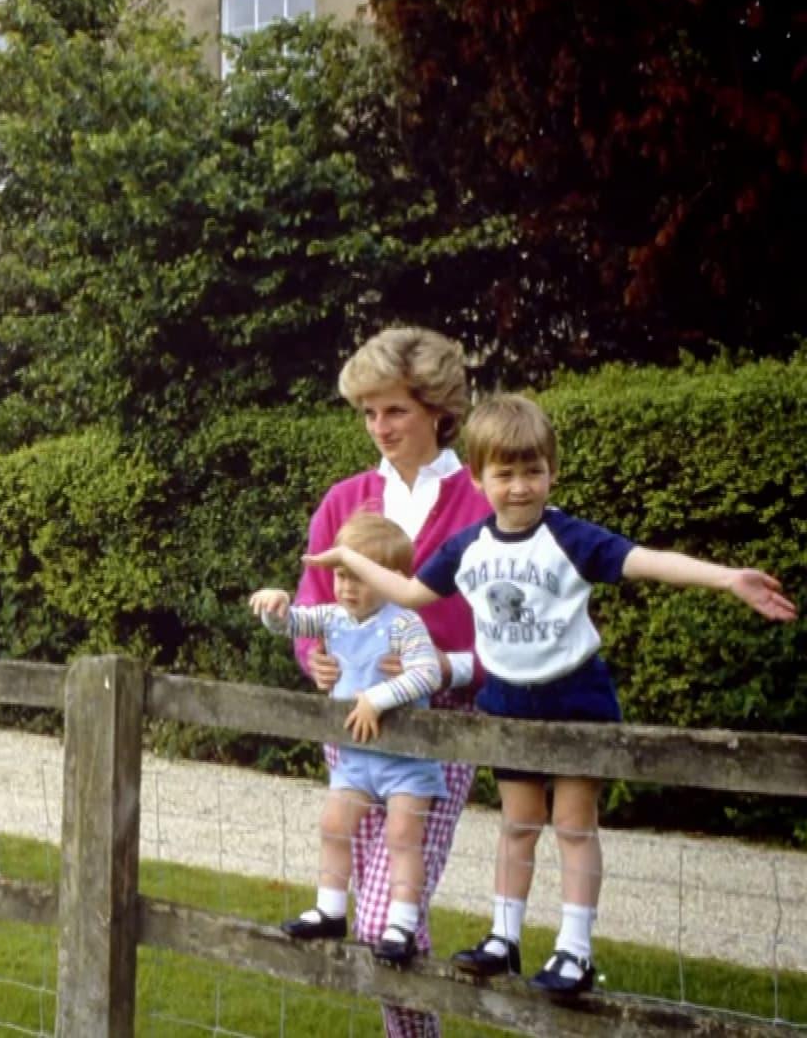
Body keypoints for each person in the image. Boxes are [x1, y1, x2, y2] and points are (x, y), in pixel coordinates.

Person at [306, 393, 796, 998]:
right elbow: (408, 595)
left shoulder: (572, 538)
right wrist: (349, 557)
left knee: (572, 825)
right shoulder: (467, 547)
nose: (519, 487)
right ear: (480, 478)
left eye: (533, 471)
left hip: (575, 701)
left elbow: (649, 562)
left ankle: (575, 949)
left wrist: (728, 579)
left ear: (552, 472)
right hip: (510, 702)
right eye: (505, 474)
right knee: (518, 824)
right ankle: (504, 939)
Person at [296, 327, 492, 1037]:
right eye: (368, 412)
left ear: (437, 408)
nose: (379, 428)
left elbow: (510, 636)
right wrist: (314, 658)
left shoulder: (481, 502)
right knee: (394, 922)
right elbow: (310, 605)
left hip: (438, 732)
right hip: (352, 726)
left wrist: (444, 667)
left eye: (395, 411)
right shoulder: (345, 501)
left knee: (381, 916)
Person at [251, 514, 447, 965]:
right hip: (355, 757)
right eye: (341, 576)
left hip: (404, 759)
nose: (347, 588)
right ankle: (330, 908)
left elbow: (428, 672)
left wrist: (377, 698)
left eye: (360, 578)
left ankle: (401, 924)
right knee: (333, 825)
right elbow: (292, 624)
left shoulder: (404, 623)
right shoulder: (334, 618)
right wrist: (275, 607)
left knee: (402, 835)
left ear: (394, 580)